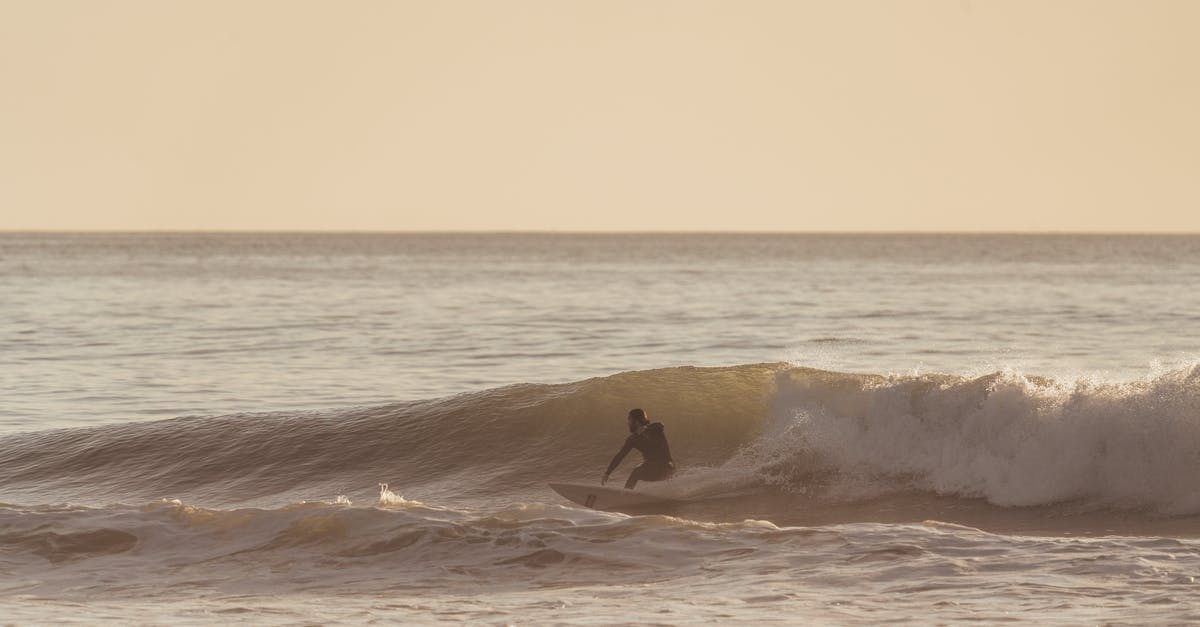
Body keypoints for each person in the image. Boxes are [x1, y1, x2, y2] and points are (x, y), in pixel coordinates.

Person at [602, 408, 675, 489]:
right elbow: (620, 455)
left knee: (637, 471)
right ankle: (628, 493)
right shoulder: (633, 439)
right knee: (638, 470)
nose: (628, 423)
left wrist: (646, 430)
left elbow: (660, 425)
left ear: (636, 421)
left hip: (666, 468)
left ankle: (626, 495)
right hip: (651, 468)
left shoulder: (655, 430)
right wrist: (607, 473)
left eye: (629, 419)